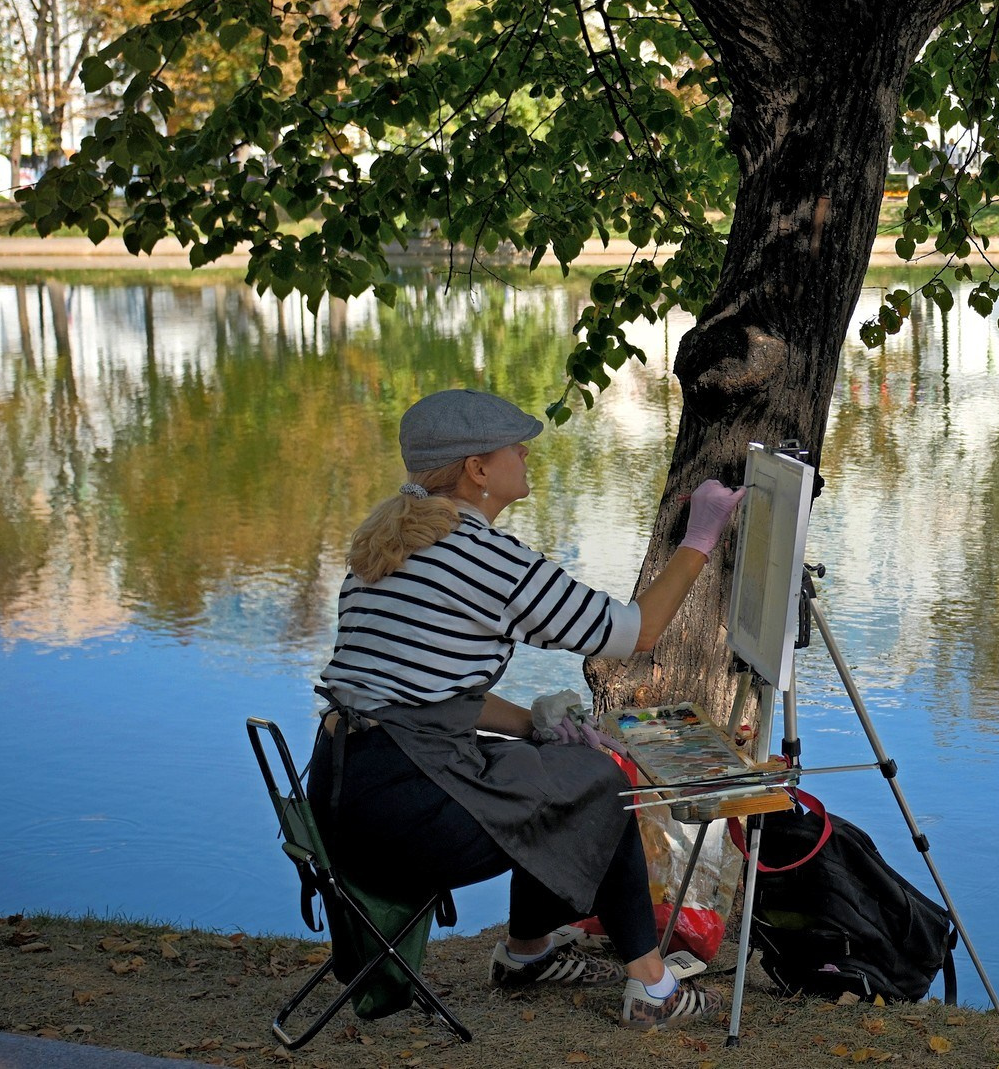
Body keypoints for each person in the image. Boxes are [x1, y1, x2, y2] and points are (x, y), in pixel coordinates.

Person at [306, 389, 744, 1028]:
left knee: (558, 765)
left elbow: (429, 693)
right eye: (515, 444)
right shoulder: (483, 556)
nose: (524, 451)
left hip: (346, 796)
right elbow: (637, 633)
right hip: (406, 815)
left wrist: (538, 726)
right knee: (601, 785)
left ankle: (527, 953)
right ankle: (653, 990)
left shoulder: (384, 547)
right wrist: (699, 538)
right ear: (476, 469)